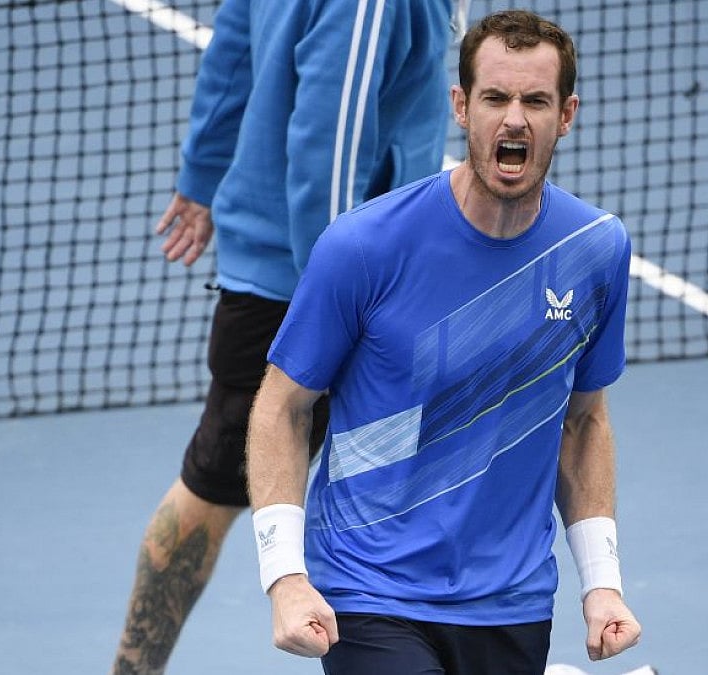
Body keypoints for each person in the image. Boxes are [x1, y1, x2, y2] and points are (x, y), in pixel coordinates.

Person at [245, 9, 642, 674]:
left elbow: (584, 421)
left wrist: (602, 581)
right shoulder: (363, 247)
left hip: (511, 599)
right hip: (372, 585)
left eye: (535, 100)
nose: (514, 119)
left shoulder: (594, 250)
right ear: (461, 106)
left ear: (566, 115)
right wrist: (285, 576)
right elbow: (280, 408)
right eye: (495, 98)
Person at [110, 1, 457, 672]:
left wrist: (203, 170)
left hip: (285, 265)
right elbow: (326, 152)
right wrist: (341, 311)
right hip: (336, 281)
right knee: (409, 500)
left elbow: (234, 42)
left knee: (215, 484)